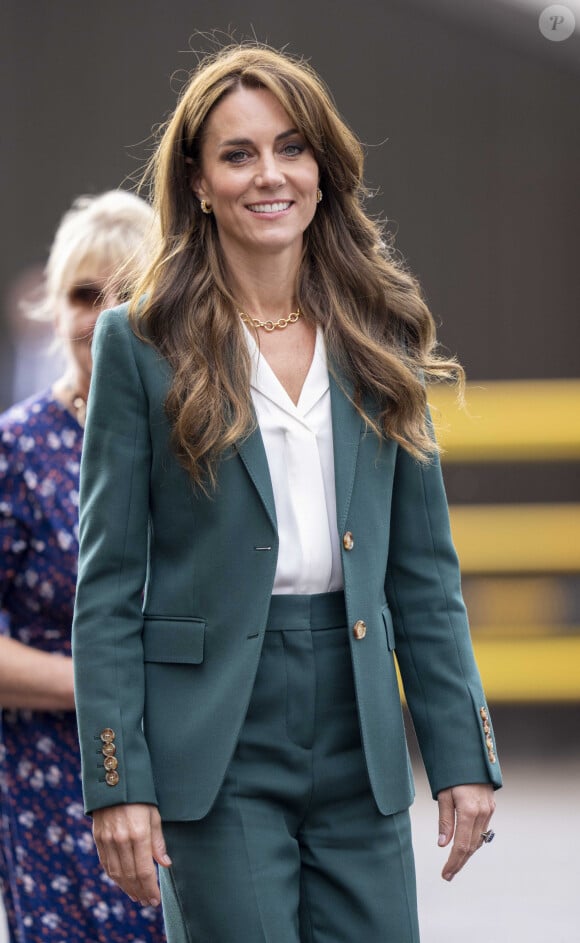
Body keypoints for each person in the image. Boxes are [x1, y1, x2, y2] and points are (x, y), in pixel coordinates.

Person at [71, 45, 502, 943]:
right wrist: (119, 781)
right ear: (197, 180)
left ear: (321, 169)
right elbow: (107, 587)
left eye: (292, 148)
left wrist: (463, 753)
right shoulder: (138, 343)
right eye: (238, 154)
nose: (270, 175)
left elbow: (423, 570)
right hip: (214, 738)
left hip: (359, 728)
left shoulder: (380, 328)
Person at [0, 191, 167, 943]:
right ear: (52, 305)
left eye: (129, 294)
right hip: (53, 789)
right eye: (84, 294)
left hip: (197, 772)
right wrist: (107, 685)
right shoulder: (16, 451)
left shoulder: (208, 433)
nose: (105, 317)